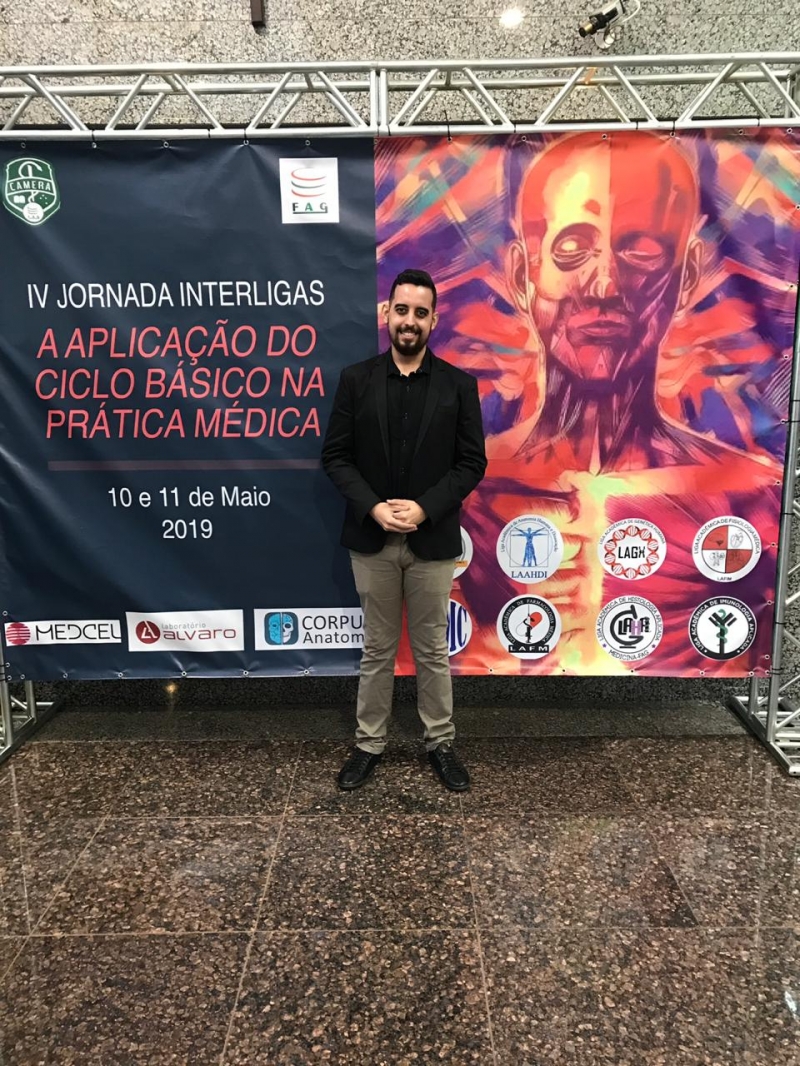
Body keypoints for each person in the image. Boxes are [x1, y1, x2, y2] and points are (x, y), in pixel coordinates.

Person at [321, 268, 487, 790]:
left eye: (420, 312)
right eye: (401, 310)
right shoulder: (356, 380)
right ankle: (369, 744)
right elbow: (336, 457)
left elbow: (471, 463)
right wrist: (373, 507)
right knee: (377, 648)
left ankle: (440, 743)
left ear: (434, 320)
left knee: (433, 648)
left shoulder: (459, 386)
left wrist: (424, 508)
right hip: (372, 541)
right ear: (386, 314)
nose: (409, 321)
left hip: (431, 540)